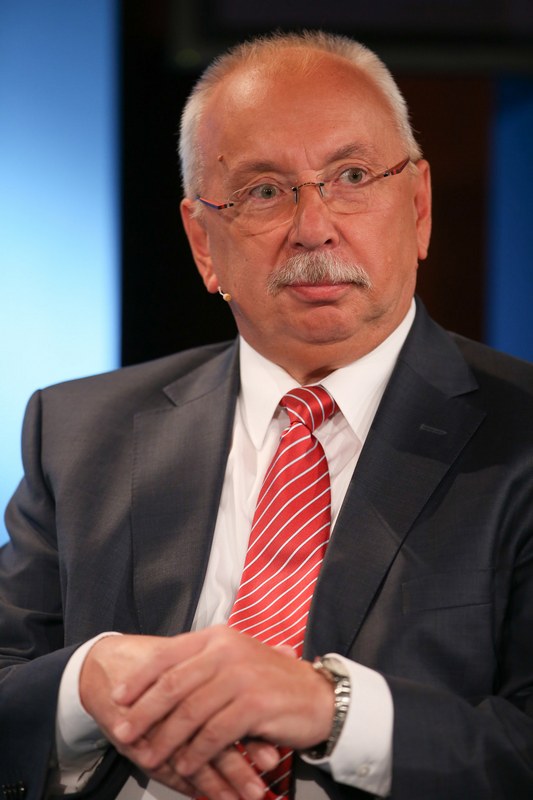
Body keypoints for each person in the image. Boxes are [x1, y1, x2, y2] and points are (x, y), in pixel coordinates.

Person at [0, 29, 532, 800]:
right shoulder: (79, 433)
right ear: (201, 243)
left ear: (417, 208)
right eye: (263, 191)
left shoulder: (519, 437)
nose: (313, 227)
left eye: (351, 176)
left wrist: (331, 708)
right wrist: (85, 680)